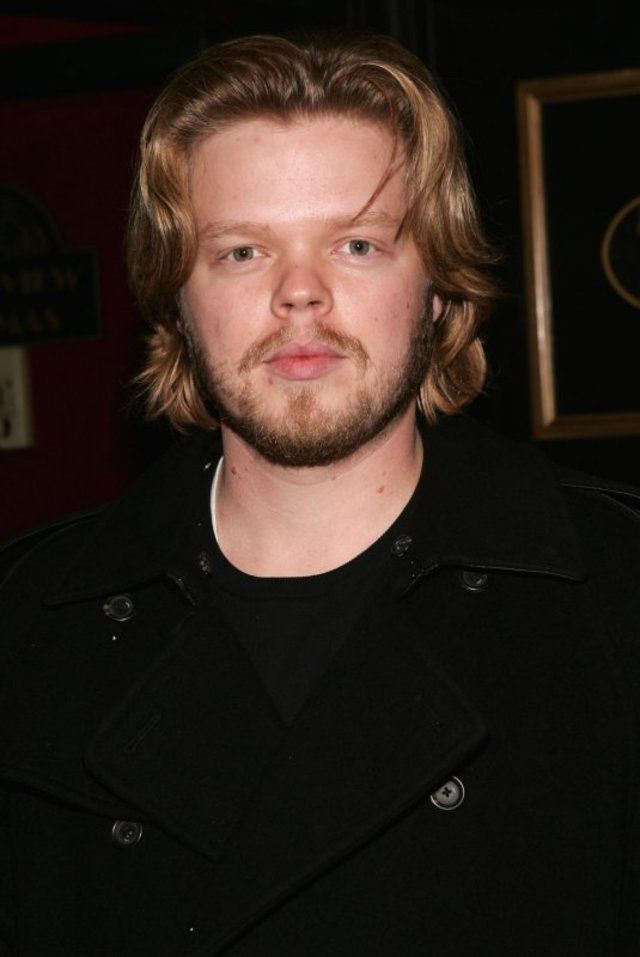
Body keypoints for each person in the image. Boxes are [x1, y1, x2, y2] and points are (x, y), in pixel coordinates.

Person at [1, 32, 639, 956]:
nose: (300, 293)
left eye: (357, 243)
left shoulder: (616, 594)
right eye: (243, 251)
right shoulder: (27, 626)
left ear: (436, 288)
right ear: (177, 301)